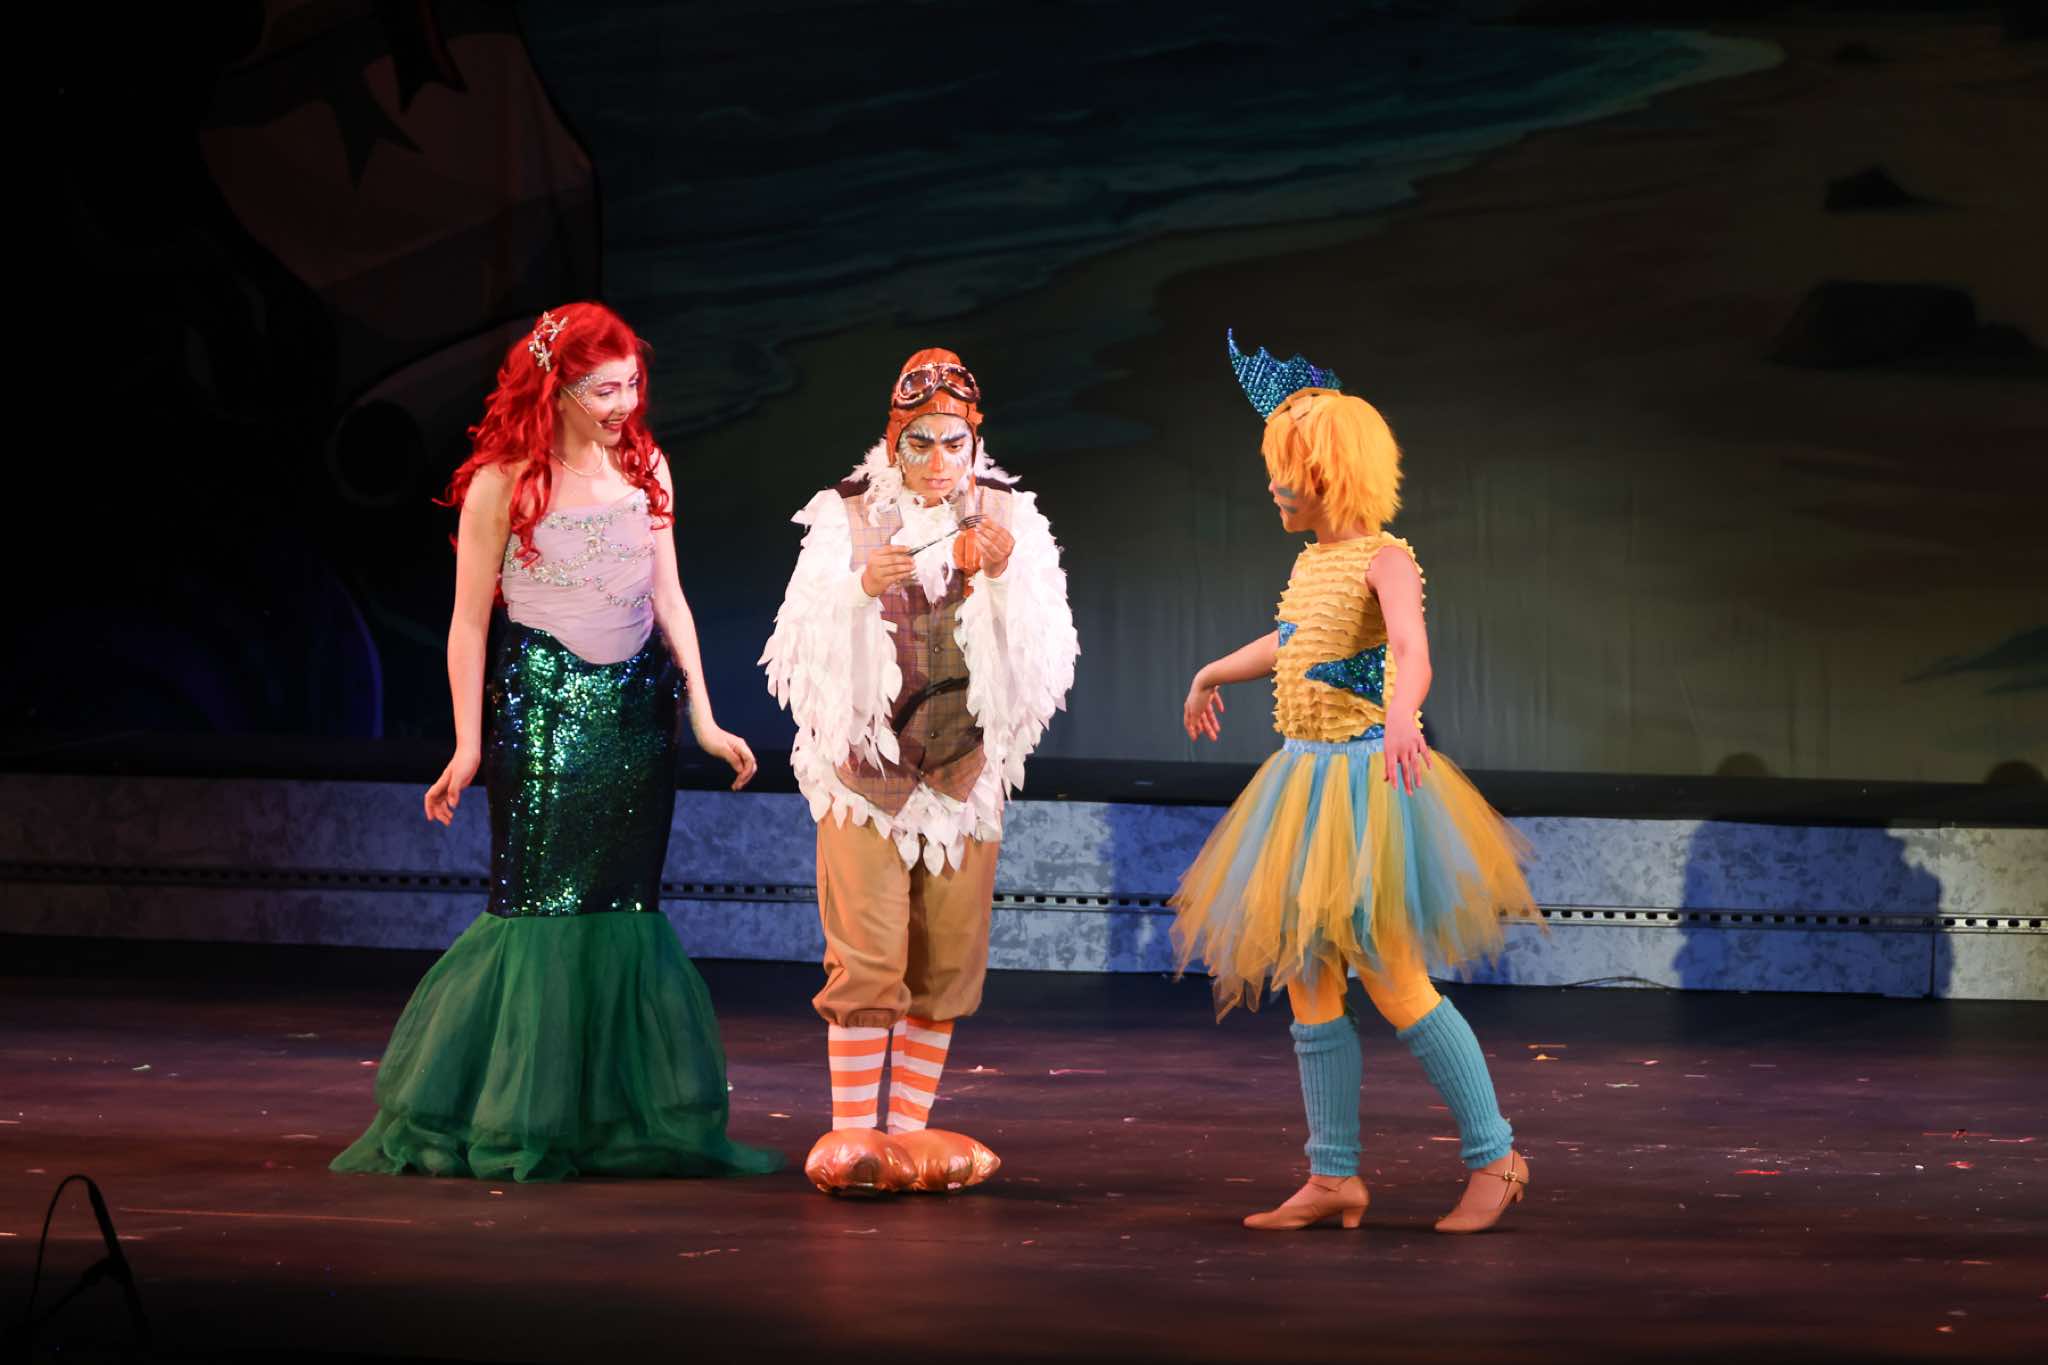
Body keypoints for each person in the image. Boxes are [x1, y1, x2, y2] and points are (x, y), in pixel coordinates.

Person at [332, 303, 781, 1183]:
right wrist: (466, 745)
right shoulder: (505, 481)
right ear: (558, 389)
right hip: (542, 708)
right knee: (539, 907)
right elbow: (468, 624)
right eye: (603, 389)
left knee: (622, 910)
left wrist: (703, 715)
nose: (624, 404)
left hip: (634, 716)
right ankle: (513, 1111)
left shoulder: (647, 466)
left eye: (631, 385)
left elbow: (670, 599)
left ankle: (612, 1117)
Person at [1172, 331, 1539, 1233]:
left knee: (1395, 979)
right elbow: (1291, 643)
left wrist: (1404, 711)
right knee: (1309, 980)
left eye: (1285, 470)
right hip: (1302, 786)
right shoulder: (1309, 563)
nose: (1274, 485)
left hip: (1364, 791)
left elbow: (1410, 646)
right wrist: (1213, 671)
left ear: (1329, 473)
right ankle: (1333, 1172)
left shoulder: (1387, 558)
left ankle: (1497, 1156)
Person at [762, 348, 1078, 1194]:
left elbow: (1046, 658)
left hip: (961, 779)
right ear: (893, 440)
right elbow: (795, 646)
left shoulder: (1008, 515)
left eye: (953, 443)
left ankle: (906, 1135)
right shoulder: (847, 516)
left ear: (975, 441)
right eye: (920, 443)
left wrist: (1001, 576)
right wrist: (860, 587)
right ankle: (854, 1131)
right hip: (868, 777)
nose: (938, 461)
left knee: (946, 961)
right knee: (867, 957)